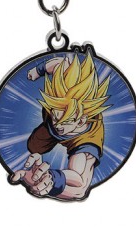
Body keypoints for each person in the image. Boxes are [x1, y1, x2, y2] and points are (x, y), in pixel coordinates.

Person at [10, 52, 111, 200]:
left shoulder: (88, 145)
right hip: (48, 130)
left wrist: (52, 181)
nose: (58, 125)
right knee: (34, 147)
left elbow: (80, 189)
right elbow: (58, 63)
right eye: (56, 117)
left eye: (64, 121)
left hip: (79, 139)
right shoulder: (62, 89)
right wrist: (38, 70)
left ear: (81, 121)